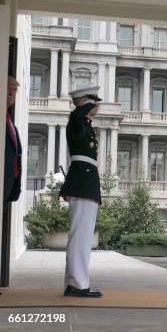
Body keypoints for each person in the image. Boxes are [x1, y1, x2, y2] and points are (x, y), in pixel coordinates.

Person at [59, 86, 103, 298]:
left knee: (81, 236)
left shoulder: (85, 125)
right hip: (82, 182)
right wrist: (84, 105)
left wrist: (87, 106)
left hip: (86, 181)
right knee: (81, 237)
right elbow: (76, 116)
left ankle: (73, 282)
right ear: (83, 103)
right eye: (94, 102)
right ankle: (78, 284)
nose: (97, 106)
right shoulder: (76, 123)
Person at [4, 76, 22, 205]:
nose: (11, 94)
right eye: (8, 89)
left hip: (8, 186)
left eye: (14, 90)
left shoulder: (11, 123)